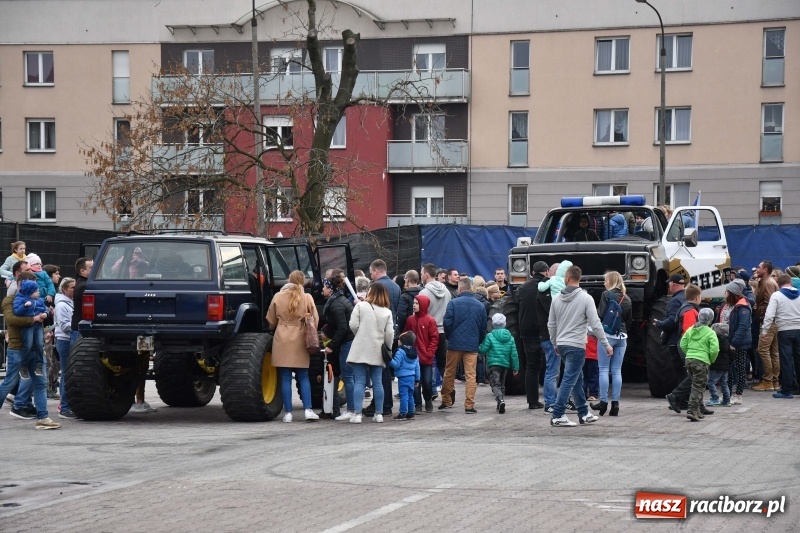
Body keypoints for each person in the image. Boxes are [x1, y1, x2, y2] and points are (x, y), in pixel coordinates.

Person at [547, 265, 611, 427]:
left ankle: (583, 413)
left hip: (561, 344)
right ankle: (558, 414)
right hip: (576, 344)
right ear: (579, 279)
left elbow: (551, 324)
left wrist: (555, 342)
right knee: (569, 379)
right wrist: (606, 344)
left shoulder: (556, 299)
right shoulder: (586, 298)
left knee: (576, 379)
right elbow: (595, 324)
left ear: (566, 278)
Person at [0, 271, 60, 429]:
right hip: (17, 348)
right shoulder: (10, 300)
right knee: (9, 383)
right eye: (33, 285)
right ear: (21, 284)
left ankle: (43, 417)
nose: (36, 289)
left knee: (40, 383)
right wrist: (33, 319)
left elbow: (42, 314)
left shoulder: (36, 299)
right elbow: (12, 320)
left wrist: (45, 327)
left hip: (36, 347)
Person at [266, 270, 320, 423]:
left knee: (284, 377)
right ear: (302, 282)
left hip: (282, 338)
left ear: (289, 280)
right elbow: (315, 320)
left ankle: (288, 413)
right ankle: (308, 410)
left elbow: (271, 320)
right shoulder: (307, 297)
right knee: (303, 376)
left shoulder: (278, 296)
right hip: (300, 338)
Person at [347, 283, 394, 424]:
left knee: (360, 382)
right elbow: (390, 333)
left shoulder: (360, 306)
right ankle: (379, 414)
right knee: (378, 383)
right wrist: (388, 347)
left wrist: (360, 335)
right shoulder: (387, 312)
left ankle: (357, 415)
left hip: (361, 348)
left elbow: (353, 325)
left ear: (370, 292)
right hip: (377, 349)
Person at [439, 278, 487, 413]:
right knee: (471, 375)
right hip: (472, 345)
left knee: (449, 372)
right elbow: (483, 327)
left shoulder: (453, 303)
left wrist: (450, 337)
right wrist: (478, 340)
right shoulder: (480, 306)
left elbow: (447, 323)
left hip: (454, 344)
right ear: (471, 288)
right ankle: (469, 405)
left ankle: (446, 400)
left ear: (460, 289)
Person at [591, 271, 632, 416]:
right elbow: (629, 320)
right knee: (616, 371)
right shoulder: (626, 298)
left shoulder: (606, 295)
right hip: (622, 337)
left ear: (611, 281)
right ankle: (615, 404)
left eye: (605, 280)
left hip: (607, 335)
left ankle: (603, 402)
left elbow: (601, 315)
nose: (604, 283)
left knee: (603, 369)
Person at [664, 284, 707, 415]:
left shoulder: (687, 309)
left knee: (695, 377)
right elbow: (689, 332)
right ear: (698, 297)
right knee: (695, 377)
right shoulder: (690, 311)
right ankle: (675, 396)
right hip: (692, 349)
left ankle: (699, 405)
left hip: (688, 348)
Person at [320, 271, 355, 421]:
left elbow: (342, 327)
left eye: (324, 286)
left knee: (347, 376)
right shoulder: (338, 300)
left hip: (346, 342)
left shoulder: (336, 305)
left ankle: (352, 410)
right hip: (345, 341)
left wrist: (332, 346)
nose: (322, 289)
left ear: (330, 289)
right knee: (347, 376)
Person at [368, 258, 399, 417]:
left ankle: (383, 404)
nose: (371, 276)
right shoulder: (396, 286)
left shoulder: (376, 287)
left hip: (378, 332)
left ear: (376, 271)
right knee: (386, 369)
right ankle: (382, 402)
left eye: (371, 273)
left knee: (379, 370)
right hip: (392, 331)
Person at [762, 274, 800, 399]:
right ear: (790, 282)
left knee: (786, 361)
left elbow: (769, 314)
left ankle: (787, 390)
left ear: (779, 284)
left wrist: (764, 331)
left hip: (784, 330)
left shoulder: (777, 295)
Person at [517, 260, 548, 409]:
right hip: (543, 331)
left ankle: (532, 401)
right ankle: (551, 399)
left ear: (532, 272)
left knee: (531, 367)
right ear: (546, 272)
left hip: (526, 332)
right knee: (550, 366)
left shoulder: (523, 287)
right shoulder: (548, 286)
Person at [680, 308, 719, 421]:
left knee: (696, 384)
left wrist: (690, 353)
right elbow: (714, 349)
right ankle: (692, 410)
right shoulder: (710, 332)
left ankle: (698, 410)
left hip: (689, 360)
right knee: (698, 386)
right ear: (711, 319)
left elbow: (683, 343)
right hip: (702, 361)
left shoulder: (691, 329)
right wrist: (710, 359)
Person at [419, 263, 451, 395]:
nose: (421, 277)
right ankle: (449, 390)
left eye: (421, 274)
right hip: (443, 331)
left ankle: (431, 390)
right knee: (443, 364)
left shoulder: (423, 293)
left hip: (428, 331)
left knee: (428, 362)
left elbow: (420, 314)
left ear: (426, 275)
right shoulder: (447, 292)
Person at [404, 294, 439, 414]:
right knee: (415, 382)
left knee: (428, 382)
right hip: (413, 358)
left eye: (417, 303)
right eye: (413, 303)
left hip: (426, 358)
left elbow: (434, 339)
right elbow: (406, 335)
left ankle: (428, 399)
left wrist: (429, 353)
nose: (414, 305)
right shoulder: (410, 319)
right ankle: (417, 403)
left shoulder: (430, 320)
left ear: (423, 305)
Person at [479, 313, 519, 414]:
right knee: (502, 384)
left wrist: (477, 348)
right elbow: (514, 354)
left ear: (493, 324)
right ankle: (500, 403)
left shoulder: (490, 336)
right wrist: (515, 367)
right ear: (505, 323)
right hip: (505, 365)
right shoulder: (510, 337)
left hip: (493, 364)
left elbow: (483, 349)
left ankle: (500, 400)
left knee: (495, 384)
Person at [752, 260, 780, 392]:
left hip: (768, 321)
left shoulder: (768, 283)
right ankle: (774, 381)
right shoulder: (767, 282)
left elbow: (770, 303)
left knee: (762, 349)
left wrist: (762, 316)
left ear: (766, 270)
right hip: (773, 320)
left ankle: (768, 380)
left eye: (759, 267)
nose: (757, 269)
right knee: (773, 352)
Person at [13, 280, 48, 379]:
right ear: (29, 292)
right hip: (28, 326)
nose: (38, 293)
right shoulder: (20, 299)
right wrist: (24, 306)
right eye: (36, 291)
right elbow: (17, 311)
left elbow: (45, 309)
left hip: (38, 326)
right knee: (28, 344)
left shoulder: (40, 300)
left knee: (40, 344)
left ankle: (39, 365)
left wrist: (45, 313)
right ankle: (23, 366)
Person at [54, 277, 77, 418]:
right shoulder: (62, 305)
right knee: (66, 374)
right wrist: (78, 326)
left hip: (66, 340)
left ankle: (66, 405)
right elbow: (64, 325)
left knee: (67, 374)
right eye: (72, 288)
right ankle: (64, 407)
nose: (74, 290)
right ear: (64, 289)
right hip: (64, 341)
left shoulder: (70, 303)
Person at [389, 330, 420, 421]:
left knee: (403, 396)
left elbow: (396, 365)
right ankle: (411, 413)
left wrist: (389, 359)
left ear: (402, 342)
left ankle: (402, 413)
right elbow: (417, 367)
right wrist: (417, 379)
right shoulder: (414, 352)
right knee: (410, 395)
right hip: (412, 377)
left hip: (403, 377)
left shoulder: (400, 352)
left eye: (399, 340)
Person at [70, 257, 94, 346]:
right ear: (82, 271)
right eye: (91, 268)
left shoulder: (82, 284)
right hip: (80, 330)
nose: (96, 269)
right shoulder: (84, 286)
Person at [396, 269, 423, 337]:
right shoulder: (423, 293)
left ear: (407, 280)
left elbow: (401, 315)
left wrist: (401, 331)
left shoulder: (405, 296)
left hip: (408, 331)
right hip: (422, 329)